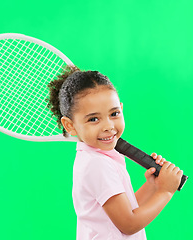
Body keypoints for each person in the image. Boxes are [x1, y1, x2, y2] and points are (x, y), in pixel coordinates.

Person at [47, 66, 183, 240]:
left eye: (114, 113)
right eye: (93, 119)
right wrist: (165, 191)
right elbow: (128, 224)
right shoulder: (97, 164)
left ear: (121, 108)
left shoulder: (99, 157)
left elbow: (124, 211)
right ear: (69, 125)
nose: (108, 126)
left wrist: (153, 186)